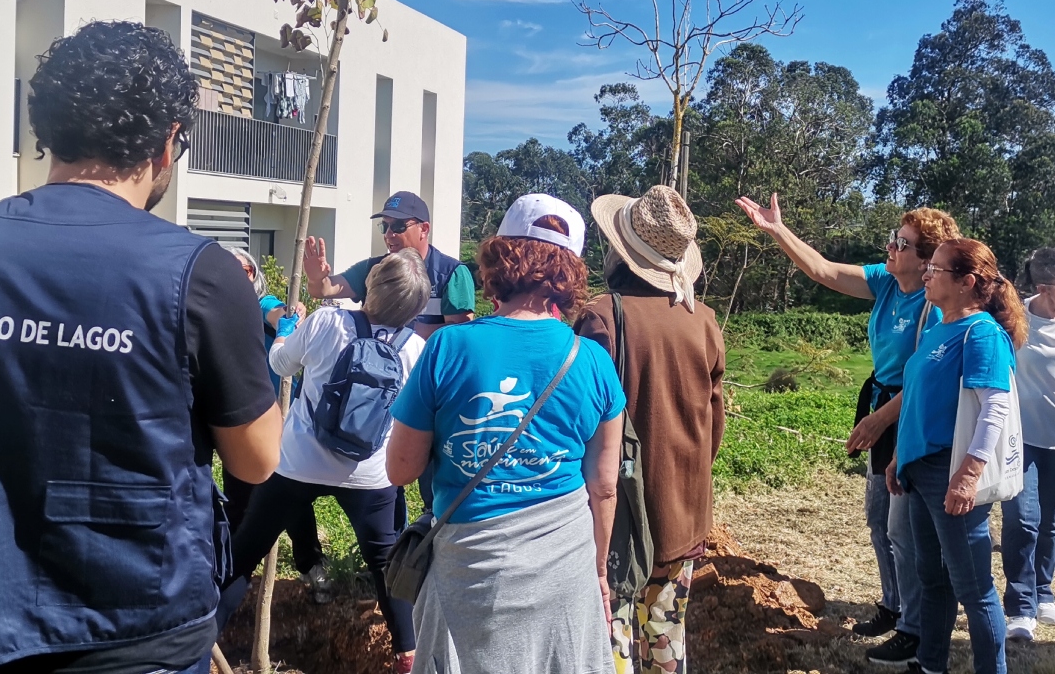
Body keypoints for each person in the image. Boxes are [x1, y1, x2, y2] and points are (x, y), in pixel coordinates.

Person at [0, 21, 283, 674]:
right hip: (132, 623)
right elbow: (258, 460)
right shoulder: (197, 273)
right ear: (168, 142)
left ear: (48, 128)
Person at [386, 194, 625, 674]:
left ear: (500, 257)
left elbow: (401, 468)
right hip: (565, 565)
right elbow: (603, 486)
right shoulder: (594, 362)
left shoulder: (448, 347)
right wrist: (598, 572)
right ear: (571, 272)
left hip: (468, 568)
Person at [737, 193, 958, 665]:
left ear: (927, 262)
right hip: (880, 399)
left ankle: (915, 629)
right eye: (894, 239)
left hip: (910, 412)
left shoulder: (934, 304)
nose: (891, 247)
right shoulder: (886, 282)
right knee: (879, 520)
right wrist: (778, 231)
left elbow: (926, 378)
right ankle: (893, 605)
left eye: (903, 243)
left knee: (905, 530)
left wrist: (880, 420)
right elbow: (822, 270)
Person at [225, 249, 431, 674]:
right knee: (384, 566)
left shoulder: (327, 322)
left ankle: (200, 640)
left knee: (245, 553)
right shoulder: (416, 350)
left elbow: (280, 364)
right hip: (370, 476)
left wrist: (285, 332)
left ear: (373, 286)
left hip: (297, 465)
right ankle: (407, 654)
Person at [575, 185, 726, 674]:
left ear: (621, 250)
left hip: (617, 514)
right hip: (683, 507)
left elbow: (579, 422)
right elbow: (714, 425)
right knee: (666, 637)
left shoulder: (602, 317)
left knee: (610, 639)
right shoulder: (702, 320)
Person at [887, 238, 1027, 674]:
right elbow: (918, 403)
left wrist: (968, 474)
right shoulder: (938, 327)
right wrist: (898, 458)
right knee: (933, 578)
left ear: (967, 282)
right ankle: (931, 665)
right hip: (921, 470)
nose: (927, 274)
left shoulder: (980, 333)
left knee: (974, 587)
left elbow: (995, 407)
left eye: (937, 270)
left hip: (950, 473)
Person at [222, 249, 330, 601]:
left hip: (274, 412)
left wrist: (291, 315)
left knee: (290, 494)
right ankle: (234, 574)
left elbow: (277, 312)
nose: (236, 276)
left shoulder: (260, 302)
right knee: (239, 493)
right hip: (238, 414)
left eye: (243, 270)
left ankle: (311, 566)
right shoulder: (219, 307)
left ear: (253, 274)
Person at [303, 191, 475, 341]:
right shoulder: (374, 268)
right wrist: (316, 278)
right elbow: (323, 290)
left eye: (399, 226)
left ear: (424, 229)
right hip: (379, 371)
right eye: (385, 226)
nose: (389, 234)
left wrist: (403, 332)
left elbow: (460, 333)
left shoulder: (452, 273)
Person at [1001, 247, 1055, 640]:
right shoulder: (1014, 317)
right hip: (1022, 438)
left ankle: (1042, 590)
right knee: (1023, 518)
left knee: (1051, 523)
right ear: (1044, 288)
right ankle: (1019, 606)